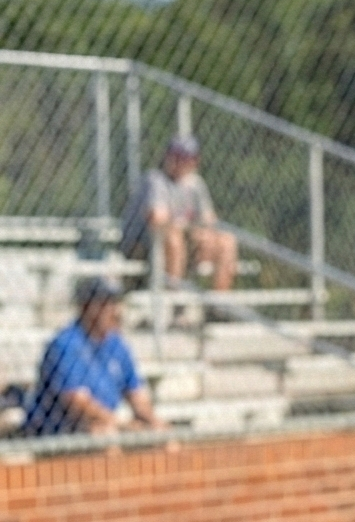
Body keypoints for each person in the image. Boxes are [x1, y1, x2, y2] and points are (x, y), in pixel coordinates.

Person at [24, 278, 158, 436]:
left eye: (115, 303)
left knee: (165, 438)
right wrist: (121, 424)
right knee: (103, 433)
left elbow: (135, 392)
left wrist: (153, 422)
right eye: (105, 304)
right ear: (86, 307)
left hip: (108, 423)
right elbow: (75, 401)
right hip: (61, 429)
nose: (115, 311)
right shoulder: (66, 343)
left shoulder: (116, 344)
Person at [121, 136, 237, 293]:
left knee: (227, 241)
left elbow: (209, 220)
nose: (182, 162)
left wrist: (204, 233)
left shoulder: (195, 184)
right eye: (177, 156)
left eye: (188, 158)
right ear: (167, 156)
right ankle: (174, 300)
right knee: (173, 237)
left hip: (183, 240)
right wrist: (191, 228)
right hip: (143, 245)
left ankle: (219, 301)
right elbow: (158, 219)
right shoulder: (155, 179)